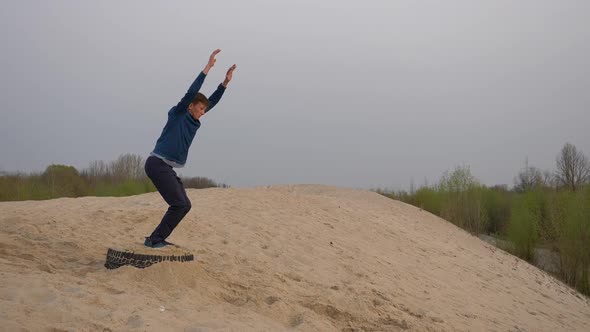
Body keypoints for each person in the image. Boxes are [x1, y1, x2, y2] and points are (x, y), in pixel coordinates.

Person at [144, 49, 236, 248]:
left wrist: (225, 83)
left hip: (165, 167)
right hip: (156, 164)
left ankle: (155, 238)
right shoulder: (178, 113)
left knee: (184, 205)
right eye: (200, 108)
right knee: (179, 204)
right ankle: (154, 240)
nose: (203, 112)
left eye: (204, 109)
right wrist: (208, 68)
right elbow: (191, 92)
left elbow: (213, 101)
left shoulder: (195, 118)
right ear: (191, 106)